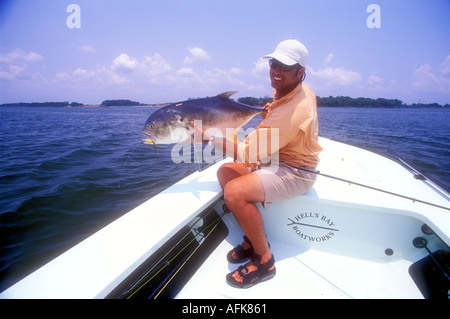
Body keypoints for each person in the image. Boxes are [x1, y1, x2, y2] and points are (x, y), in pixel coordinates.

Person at [192, 39, 322, 288]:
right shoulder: (292, 90)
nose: (276, 70)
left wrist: (208, 138)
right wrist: (270, 110)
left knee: (234, 192)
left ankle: (265, 260)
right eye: (274, 63)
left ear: (300, 72)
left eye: (285, 66)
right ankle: (253, 239)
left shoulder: (293, 110)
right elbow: (276, 121)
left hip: (297, 171)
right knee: (226, 172)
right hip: (275, 156)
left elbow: (248, 153)